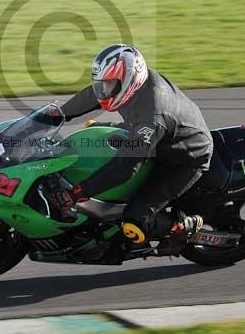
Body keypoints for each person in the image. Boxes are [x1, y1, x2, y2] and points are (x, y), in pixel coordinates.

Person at [54, 44, 214, 254]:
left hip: (182, 159)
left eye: (109, 85)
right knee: (97, 132)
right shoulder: (129, 86)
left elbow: (126, 166)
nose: (104, 91)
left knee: (133, 223)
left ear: (129, 79)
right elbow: (90, 97)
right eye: (101, 84)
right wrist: (57, 113)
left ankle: (185, 225)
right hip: (156, 136)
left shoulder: (153, 116)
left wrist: (78, 192)